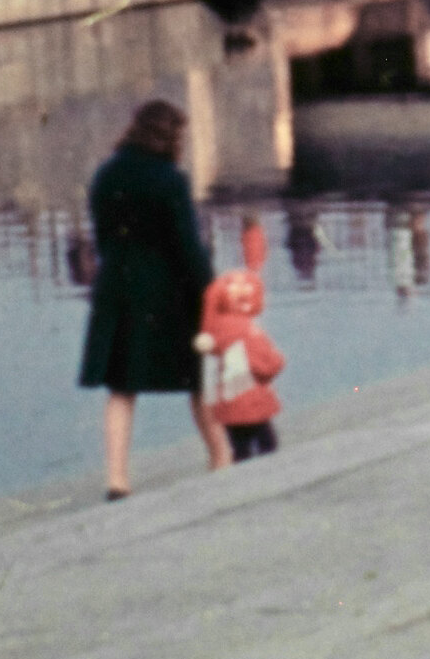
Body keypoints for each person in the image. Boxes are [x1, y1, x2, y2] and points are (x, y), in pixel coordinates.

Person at [80, 101, 229, 499]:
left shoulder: (106, 174)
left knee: (121, 386)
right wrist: (212, 289)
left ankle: (117, 478)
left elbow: (101, 234)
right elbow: (187, 246)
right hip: (165, 291)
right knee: (199, 378)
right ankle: (220, 455)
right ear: (171, 137)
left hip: (116, 285)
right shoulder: (169, 179)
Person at [193, 217, 285, 464]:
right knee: (267, 442)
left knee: (240, 447)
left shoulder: (220, 329)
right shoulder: (248, 330)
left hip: (229, 403)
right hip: (254, 402)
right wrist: (274, 365)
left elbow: (209, 341)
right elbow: (269, 364)